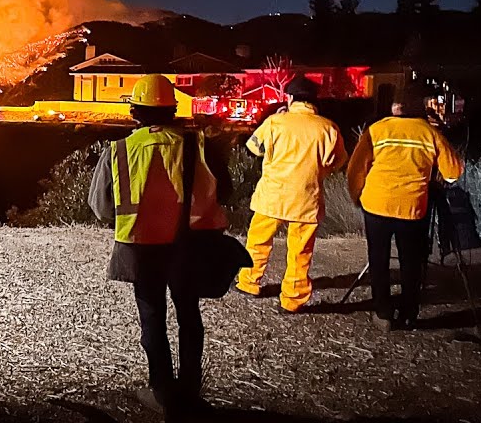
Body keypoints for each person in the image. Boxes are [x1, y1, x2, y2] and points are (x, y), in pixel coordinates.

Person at [88, 74, 229, 419]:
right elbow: (224, 191)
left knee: (152, 318)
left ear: (136, 112)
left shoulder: (119, 150)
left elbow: (101, 207)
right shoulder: (199, 145)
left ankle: (162, 392)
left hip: (142, 247)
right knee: (189, 316)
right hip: (189, 246)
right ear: (172, 109)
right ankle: (190, 390)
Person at [347, 82, 464, 331]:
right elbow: (454, 172)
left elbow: (355, 170)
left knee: (377, 259)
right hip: (412, 207)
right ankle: (409, 313)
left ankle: (383, 313)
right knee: (411, 261)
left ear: (396, 106)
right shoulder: (429, 133)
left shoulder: (377, 130)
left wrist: (357, 196)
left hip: (376, 204)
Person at [235, 77, 348, 312]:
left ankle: (249, 282)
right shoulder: (328, 128)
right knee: (300, 250)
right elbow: (337, 162)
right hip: (307, 198)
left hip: (272, 195)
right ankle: (293, 298)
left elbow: (253, 148)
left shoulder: (275, 122)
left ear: (289, 98)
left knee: (257, 242)